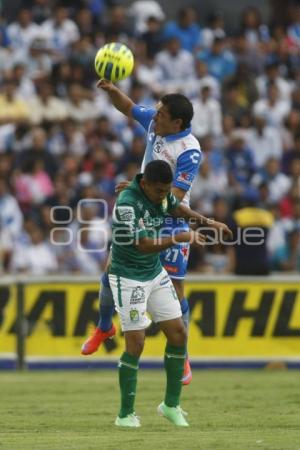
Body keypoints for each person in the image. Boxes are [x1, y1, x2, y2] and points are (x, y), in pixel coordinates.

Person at [81, 80, 232, 384]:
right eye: (157, 111)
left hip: (171, 216)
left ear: (177, 122)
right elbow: (127, 106)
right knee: (109, 274)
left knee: (176, 290)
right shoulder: (156, 122)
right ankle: (104, 326)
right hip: (142, 204)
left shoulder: (189, 152)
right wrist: (111, 90)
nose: (155, 116)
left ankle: (182, 351)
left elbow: (172, 197)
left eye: (161, 114)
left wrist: (140, 188)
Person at [109, 159, 230, 427]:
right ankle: (125, 415)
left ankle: (171, 405)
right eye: (159, 191)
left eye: (166, 191)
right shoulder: (128, 203)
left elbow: (179, 209)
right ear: (145, 184)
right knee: (136, 344)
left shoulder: (161, 195)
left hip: (154, 273)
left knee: (178, 333)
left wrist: (211, 222)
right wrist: (178, 238)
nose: (163, 197)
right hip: (128, 276)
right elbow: (142, 245)